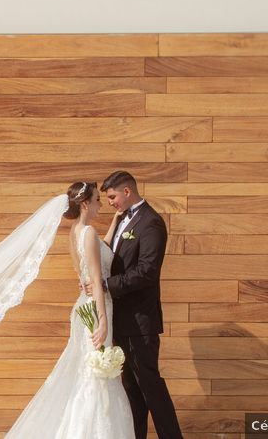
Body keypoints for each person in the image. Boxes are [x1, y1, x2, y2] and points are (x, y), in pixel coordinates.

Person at [4, 180, 134, 438]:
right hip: (95, 310)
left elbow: (100, 253)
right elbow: (96, 280)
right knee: (96, 375)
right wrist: (104, 321)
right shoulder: (88, 234)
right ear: (85, 203)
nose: (101, 204)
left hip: (83, 308)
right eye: (97, 199)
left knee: (87, 372)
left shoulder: (76, 232)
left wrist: (115, 222)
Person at [84, 170, 184, 439]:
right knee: (132, 390)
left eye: (113, 196)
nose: (111, 202)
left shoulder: (151, 223)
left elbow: (147, 271)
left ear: (127, 191)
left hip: (141, 321)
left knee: (151, 386)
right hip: (122, 320)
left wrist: (105, 286)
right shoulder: (123, 221)